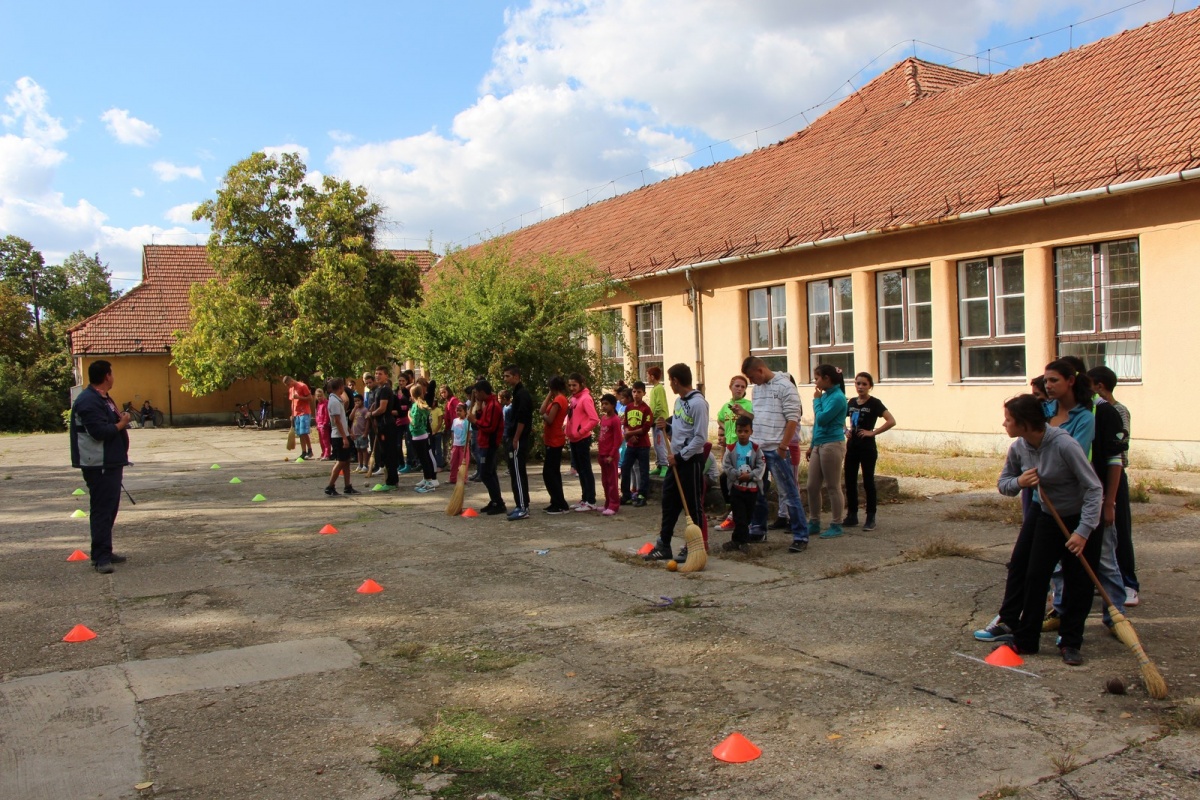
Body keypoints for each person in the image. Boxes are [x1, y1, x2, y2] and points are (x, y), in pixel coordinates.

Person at [994, 394, 1103, 665]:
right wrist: (1020, 482)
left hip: (1081, 518)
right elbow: (1004, 484)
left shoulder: (1065, 445)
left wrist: (1083, 531)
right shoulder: (1019, 447)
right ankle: (1027, 639)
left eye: (1008, 419)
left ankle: (1071, 643)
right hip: (1048, 517)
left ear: (1025, 423)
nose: (1004, 424)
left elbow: (1094, 488)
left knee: (1078, 581)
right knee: (1035, 576)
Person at [741, 356, 809, 553]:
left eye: (752, 377)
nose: (751, 382)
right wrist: (745, 415)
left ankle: (800, 535)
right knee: (756, 490)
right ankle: (758, 529)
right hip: (758, 448)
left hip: (776, 449)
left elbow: (793, 419)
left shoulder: (786, 387)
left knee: (788, 492)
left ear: (761, 370)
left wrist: (783, 446)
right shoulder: (757, 390)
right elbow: (758, 416)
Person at [70, 360, 133, 574]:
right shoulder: (88, 401)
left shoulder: (102, 398)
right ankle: (100, 557)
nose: (113, 377)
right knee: (102, 510)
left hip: (111, 461)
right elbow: (98, 432)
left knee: (109, 509)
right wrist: (121, 424)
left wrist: (120, 419)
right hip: (98, 463)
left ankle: (105, 549)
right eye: (112, 373)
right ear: (107, 376)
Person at [644, 363, 709, 561]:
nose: (670, 385)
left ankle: (694, 547)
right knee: (669, 501)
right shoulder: (679, 402)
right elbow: (680, 431)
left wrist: (680, 457)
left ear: (676, 381)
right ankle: (664, 544)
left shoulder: (698, 404)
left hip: (690, 461)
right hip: (676, 461)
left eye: (670, 381)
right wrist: (667, 427)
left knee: (692, 505)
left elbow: (700, 437)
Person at [843, 372, 896, 531]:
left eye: (864, 384)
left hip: (867, 447)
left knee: (868, 481)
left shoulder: (874, 403)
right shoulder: (852, 402)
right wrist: (845, 430)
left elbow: (891, 421)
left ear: (870, 386)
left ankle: (870, 516)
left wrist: (872, 432)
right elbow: (840, 417)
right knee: (850, 480)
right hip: (852, 446)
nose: (860, 387)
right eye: (858, 383)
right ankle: (852, 514)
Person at [807, 364, 849, 540]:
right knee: (811, 486)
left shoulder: (838, 397)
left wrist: (816, 401)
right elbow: (817, 424)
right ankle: (814, 521)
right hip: (819, 444)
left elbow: (823, 419)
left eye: (817, 378)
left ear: (827, 378)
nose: (815, 382)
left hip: (832, 444)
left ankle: (836, 524)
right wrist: (812, 444)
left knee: (833, 486)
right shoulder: (825, 396)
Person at [721, 415, 765, 553]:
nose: (743, 434)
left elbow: (761, 465)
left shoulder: (756, 449)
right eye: (740, 431)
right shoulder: (731, 448)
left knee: (747, 517)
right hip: (736, 488)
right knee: (739, 516)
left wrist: (750, 476)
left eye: (746, 431)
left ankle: (737, 540)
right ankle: (743, 541)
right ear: (736, 431)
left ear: (751, 431)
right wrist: (737, 474)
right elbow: (726, 465)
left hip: (751, 489)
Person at [716, 374, 754, 530]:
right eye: (737, 386)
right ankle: (730, 509)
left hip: (742, 448)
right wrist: (724, 430)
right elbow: (719, 419)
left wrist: (743, 413)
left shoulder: (748, 405)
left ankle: (737, 514)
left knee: (736, 479)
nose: (739, 389)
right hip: (729, 447)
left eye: (743, 387)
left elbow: (753, 420)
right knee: (725, 479)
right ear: (730, 387)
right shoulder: (726, 406)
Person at [503, 365, 534, 520]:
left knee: (518, 472)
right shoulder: (517, 393)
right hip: (516, 437)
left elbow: (522, 419)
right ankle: (520, 504)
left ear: (516, 376)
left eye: (508, 376)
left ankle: (522, 507)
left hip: (519, 439)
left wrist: (516, 438)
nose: (505, 379)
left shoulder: (522, 394)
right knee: (515, 473)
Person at [565, 373, 600, 511]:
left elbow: (594, 419)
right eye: (569, 385)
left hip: (582, 439)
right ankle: (585, 498)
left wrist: (581, 432)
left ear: (581, 384)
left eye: (574, 385)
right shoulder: (573, 398)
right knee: (580, 470)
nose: (571, 388)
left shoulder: (585, 398)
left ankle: (591, 501)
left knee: (586, 470)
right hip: (573, 438)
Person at [473, 379, 506, 515]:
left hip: (489, 444)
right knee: (490, 472)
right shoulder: (487, 404)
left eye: (477, 393)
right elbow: (483, 419)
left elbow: (489, 426)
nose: (475, 396)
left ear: (482, 392)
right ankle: (495, 500)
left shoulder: (493, 405)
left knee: (486, 473)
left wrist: (474, 421)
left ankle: (498, 502)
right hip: (484, 443)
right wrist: (478, 409)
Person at [619, 380, 654, 507]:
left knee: (643, 470)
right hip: (631, 445)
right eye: (634, 392)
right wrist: (629, 435)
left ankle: (642, 495)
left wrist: (631, 433)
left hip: (643, 445)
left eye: (639, 392)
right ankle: (626, 495)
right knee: (625, 468)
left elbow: (645, 428)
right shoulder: (628, 407)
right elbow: (625, 424)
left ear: (644, 393)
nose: (636, 394)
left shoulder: (646, 409)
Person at [541, 375, 571, 514]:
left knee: (549, 473)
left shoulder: (559, 400)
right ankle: (556, 501)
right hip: (552, 439)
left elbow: (549, 418)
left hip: (554, 439)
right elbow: (542, 409)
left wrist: (544, 416)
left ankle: (559, 503)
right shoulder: (560, 398)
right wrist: (549, 395)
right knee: (553, 472)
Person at [324, 378, 358, 496]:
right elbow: (337, 421)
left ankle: (347, 486)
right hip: (338, 436)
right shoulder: (333, 401)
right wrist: (344, 437)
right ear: (340, 387)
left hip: (343, 434)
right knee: (340, 461)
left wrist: (349, 432)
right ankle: (330, 486)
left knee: (346, 461)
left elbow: (343, 420)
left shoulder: (338, 400)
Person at [369, 367, 398, 486]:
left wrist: (371, 414)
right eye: (376, 373)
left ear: (386, 376)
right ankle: (389, 480)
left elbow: (382, 408)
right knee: (384, 454)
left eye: (380, 374)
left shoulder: (385, 389)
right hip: (381, 425)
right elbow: (377, 405)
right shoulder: (379, 389)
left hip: (387, 425)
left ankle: (392, 482)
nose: (377, 376)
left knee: (389, 453)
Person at [409, 383, 439, 492]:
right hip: (422, 435)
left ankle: (429, 481)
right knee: (424, 459)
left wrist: (409, 416)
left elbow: (415, 423)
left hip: (418, 435)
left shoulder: (416, 406)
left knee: (424, 460)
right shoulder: (422, 404)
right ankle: (426, 479)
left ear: (412, 394)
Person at [597, 393, 623, 516]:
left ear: (613, 405)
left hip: (610, 456)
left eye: (606, 404)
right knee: (605, 481)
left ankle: (614, 505)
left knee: (612, 482)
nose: (604, 406)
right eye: (602, 404)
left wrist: (611, 455)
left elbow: (618, 439)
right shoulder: (603, 418)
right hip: (603, 454)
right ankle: (607, 503)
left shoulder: (615, 420)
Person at [647, 365, 671, 477]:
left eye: (648, 376)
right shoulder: (654, 389)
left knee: (660, 443)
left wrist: (653, 417)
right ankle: (660, 465)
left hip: (660, 420)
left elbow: (659, 406)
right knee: (656, 444)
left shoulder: (659, 388)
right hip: (655, 421)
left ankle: (665, 464)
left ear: (652, 376)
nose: (647, 378)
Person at [284, 376, 314, 460]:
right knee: (300, 433)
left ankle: (310, 450)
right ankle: (303, 452)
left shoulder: (302, 386)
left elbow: (310, 398)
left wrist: (299, 397)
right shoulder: (291, 389)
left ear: (291, 380)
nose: (288, 386)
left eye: (288, 384)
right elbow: (292, 402)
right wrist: (292, 414)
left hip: (304, 412)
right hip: (296, 414)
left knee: (304, 432)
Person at [448, 402, 470, 484]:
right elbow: (452, 432)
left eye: (460, 411)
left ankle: (463, 479)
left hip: (463, 446)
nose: (458, 412)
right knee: (453, 462)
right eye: (457, 410)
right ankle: (452, 478)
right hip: (455, 445)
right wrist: (453, 443)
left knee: (463, 463)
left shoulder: (467, 422)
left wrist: (466, 444)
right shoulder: (455, 421)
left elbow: (469, 433)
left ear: (465, 412)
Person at [350, 394, 370, 473]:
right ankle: (360, 464)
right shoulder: (355, 410)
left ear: (362, 401)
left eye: (358, 401)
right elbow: (350, 418)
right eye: (355, 401)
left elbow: (367, 422)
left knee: (364, 449)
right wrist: (354, 409)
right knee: (358, 450)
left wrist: (365, 432)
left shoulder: (365, 410)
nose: (357, 402)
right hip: (355, 433)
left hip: (362, 433)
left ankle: (365, 465)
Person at [315, 388, 332, 460]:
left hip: (324, 425)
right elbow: (317, 414)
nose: (319, 397)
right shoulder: (318, 404)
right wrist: (317, 423)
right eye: (318, 396)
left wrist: (325, 423)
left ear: (323, 395)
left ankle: (327, 454)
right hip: (319, 424)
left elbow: (326, 414)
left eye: (320, 396)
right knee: (321, 440)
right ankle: (323, 452)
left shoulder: (325, 403)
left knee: (325, 440)